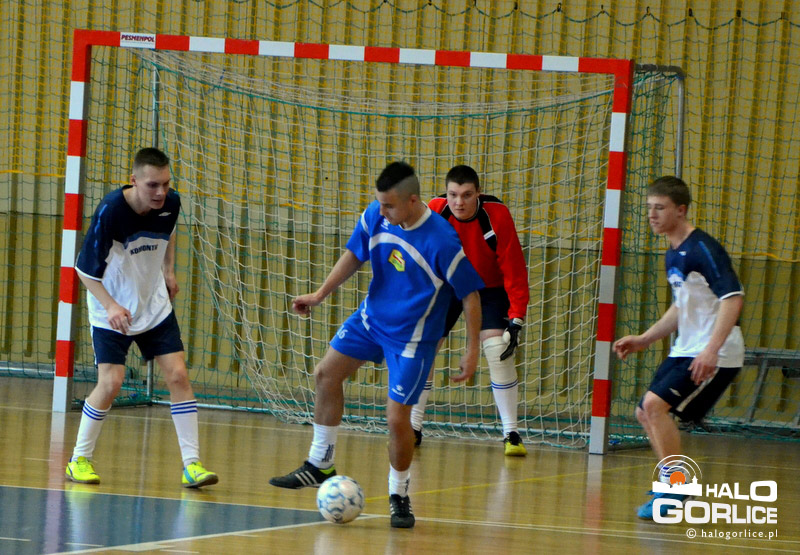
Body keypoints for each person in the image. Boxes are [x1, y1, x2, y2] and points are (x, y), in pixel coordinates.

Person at [269, 161, 484, 528]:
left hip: (413, 340)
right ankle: (320, 463)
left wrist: (472, 349)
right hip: (371, 321)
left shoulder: (442, 240)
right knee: (325, 374)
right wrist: (320, 294)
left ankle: (399, 494)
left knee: (397, 418)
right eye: (380, 204)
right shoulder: (377, 214)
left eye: (389, 206)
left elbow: (470, 296)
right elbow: (355, 254)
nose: (381, 212)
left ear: (413, 201)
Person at [65, 147, 218, 489]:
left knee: (178, 375)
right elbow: (84, 271)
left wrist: (168, 270)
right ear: (133, 180)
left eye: (165, 183)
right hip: (111, 307)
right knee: (111, 383)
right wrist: (111, 306)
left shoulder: (170, 203)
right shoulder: (111, 211)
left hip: (153, 305)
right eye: (152, 185)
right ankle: (78, 459)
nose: (160, 192)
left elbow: (170, 229)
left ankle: (192, 465)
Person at [612, 176, 744, 520]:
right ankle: (671, 483)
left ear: (681, 210)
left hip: (716, 351)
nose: (652, 215)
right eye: (649, 208)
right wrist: (645, 338)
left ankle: (676, 487)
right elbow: (681, 307)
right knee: (644, 411)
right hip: (686, 347)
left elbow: (733, 298)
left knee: (654, 407)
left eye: (660, 208)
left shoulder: (703, 249)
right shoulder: (673, 252)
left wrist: (710, 350)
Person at [409, 165, 530, 456]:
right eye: (453, 194)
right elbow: (418, 260)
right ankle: (412, 428)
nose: (459, 202)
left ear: (478, 193)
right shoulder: (435, 212)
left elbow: (514, 268)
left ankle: (511, 433)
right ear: (446, 193)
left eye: (466, 195)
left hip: (489, 287)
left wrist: (516, 317)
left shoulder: (496, 215)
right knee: (424, 348)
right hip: (447, 286)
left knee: (497, 349)